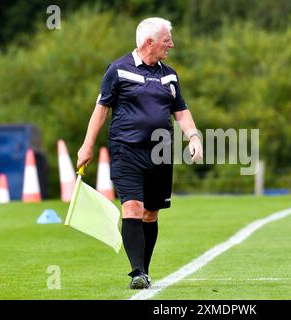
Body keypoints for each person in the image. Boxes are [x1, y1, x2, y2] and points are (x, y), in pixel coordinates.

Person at [76, 17, 202, 289]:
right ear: (150, 42)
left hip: (160, 153)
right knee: (132, 207)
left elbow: (180, 110)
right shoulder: (118, 70)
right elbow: (101, 110)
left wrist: (194, 136)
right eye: (167, 40)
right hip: (126, 150)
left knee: (151, 213)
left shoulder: (169, 74)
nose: (172, 45)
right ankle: (136, 273)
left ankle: (144, 269)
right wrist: (87, 145)